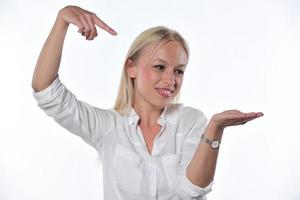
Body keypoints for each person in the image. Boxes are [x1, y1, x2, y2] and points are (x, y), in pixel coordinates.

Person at [31, 5, 263, 200]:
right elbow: (46, 92)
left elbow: (191, 191)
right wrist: (63, 18)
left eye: (179, 71)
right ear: (131, 68)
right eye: (159, 67)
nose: (171, 80)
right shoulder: (107, 126)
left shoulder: (191, 121)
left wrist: (214, 129)